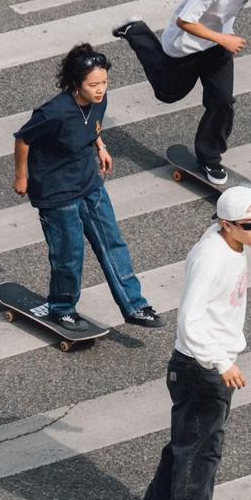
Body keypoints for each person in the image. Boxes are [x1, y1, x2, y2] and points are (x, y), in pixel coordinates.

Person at [130, 185, 251, 500]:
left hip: (200, 366)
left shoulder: (226, 241)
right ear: (226, 224)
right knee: (202, 454)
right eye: (249, 224)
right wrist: (222, 364)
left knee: (186, 445)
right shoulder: (212, 259)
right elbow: (189, 322)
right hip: (202, 368)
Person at [13, 43, 164, 332]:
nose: (100, 90)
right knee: (69, 255)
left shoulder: (98, 101)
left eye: (104, 83)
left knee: (113, 243)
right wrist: (22, 176)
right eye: (93, 84)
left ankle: (135, 305)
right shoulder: (53, 113)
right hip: (57, 193)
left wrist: (101, 146)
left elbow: (92, 125)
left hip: (89, 183)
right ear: (76, 83)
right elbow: (23, 139)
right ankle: (62, 308)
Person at [112, 0, 251, 186]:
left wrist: (221, 40)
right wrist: (223, 38)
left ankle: (209, 157)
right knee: (167, 94)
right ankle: (135, 30)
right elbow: (184, 21)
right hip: (185, 47)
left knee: (222, 101)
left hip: (217, 47)